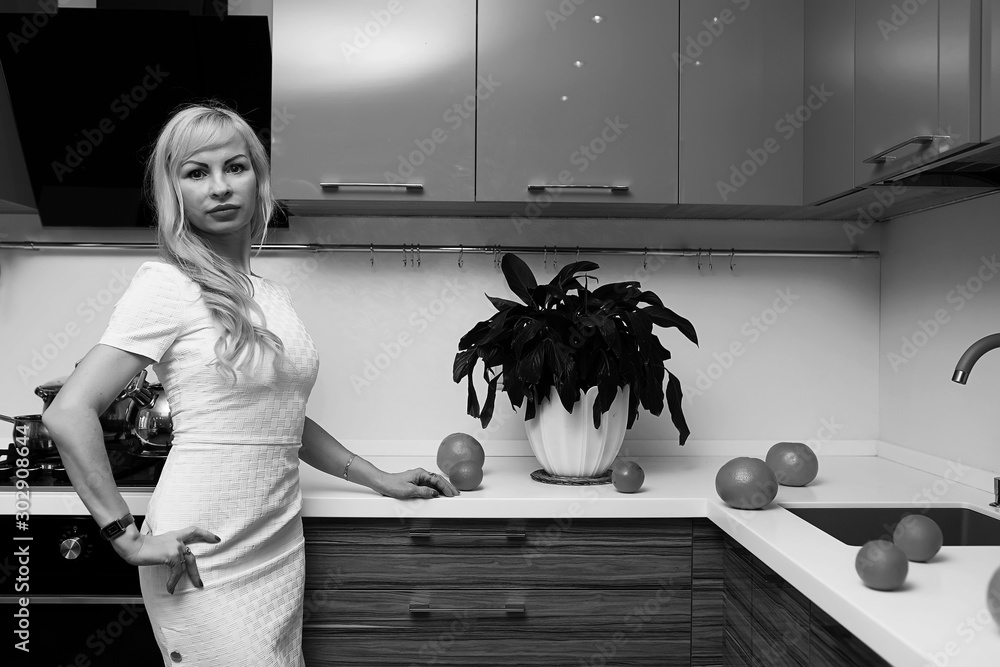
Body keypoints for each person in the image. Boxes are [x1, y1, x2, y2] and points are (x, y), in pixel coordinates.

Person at [42, 102, 459, 666]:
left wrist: (378, 479)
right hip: (205, 547)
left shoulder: (268, 294)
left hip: (277, 538)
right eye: (196, 172)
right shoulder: (168, 284)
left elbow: (281, 417)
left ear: (259, 180)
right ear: (175, 192)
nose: (219, 187)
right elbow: (68, 412)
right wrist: (127, 536)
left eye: (234, 167)